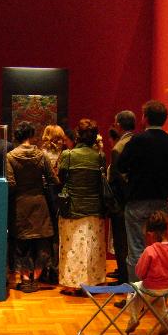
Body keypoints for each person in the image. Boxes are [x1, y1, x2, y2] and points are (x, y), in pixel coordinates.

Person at [117, 100, 168, 284]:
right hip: (161, 200)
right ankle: (158, 289)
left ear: (146, 118)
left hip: (138, 199)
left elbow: (121, 164)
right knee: (161, 247)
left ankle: (137, 293)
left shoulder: (138, 140)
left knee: (136, 249)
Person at [6, 122, 59, 293]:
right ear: (31, 135)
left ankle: (25, 279)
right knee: (42, 242)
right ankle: (36, 278)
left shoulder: (10, 157)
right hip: (40, 203)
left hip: (20, 203)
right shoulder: (41, 155)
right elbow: (53, 180)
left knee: (21, 243)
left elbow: (11, 184)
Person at [57, 119, 106, 296]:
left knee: (72, 246)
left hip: (72, 207)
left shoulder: (68, 155)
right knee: (92, 247)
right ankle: (93, 281)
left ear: (78, 135)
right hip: (94, 207)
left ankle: (72, 284)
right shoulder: (99, 156)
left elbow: (61, 179)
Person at [123, 211, 168, 335]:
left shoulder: (150, 251)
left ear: (150, 234)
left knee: (134, 291)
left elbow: (140, 272)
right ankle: (166, 319)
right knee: (157, 298)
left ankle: (133, 318)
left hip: (150, 287)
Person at [107, 110, 136, 286]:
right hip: (136, 199)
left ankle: (124, 278)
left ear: (118, 125)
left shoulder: (118, 148)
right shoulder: (138, 141)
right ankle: (128, 275)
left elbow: (118, 179)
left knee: (121, 242)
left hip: (122, 203)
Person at [39, 124, 66, 284]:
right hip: (57, 195)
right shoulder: (64, 154)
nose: (61, 141)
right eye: (59, 138)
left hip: (44, 195)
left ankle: (45, 269)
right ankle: (55, 269)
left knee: (46, 234)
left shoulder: (41, 154)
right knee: (56, 234)